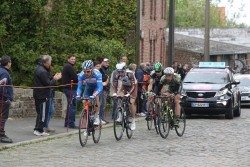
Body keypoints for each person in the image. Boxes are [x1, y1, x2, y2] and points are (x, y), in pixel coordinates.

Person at [33, 55, 61, 136]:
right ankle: (39, 130)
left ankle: (37, 128)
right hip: (43, 95)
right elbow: (48, 84)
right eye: (49, 62)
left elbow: (46, 80)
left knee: (40, 113)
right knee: (43, 113)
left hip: (38, 94)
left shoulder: (38, 68)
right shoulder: (43, 71)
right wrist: (55, 79)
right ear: (45, 62)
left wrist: (53, 77)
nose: (50, 64)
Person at [112, 62, 137, 130]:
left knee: (131, 102)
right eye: (119, 72)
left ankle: (133, 120)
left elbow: (133, 87)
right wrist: (114, 93)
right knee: (119, 97)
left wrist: (128, 94)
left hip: (133, 88)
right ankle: (120, 116)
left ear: (125, 70)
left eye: (122, 72)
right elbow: (115, 86)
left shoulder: (130, 74)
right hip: (124, 87)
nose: (121, 74)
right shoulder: (117, 75)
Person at [76, 60, 103, 125]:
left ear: (92, 69)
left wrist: (94, 95)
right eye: (84, 71)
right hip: (88, 88)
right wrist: (78, 95)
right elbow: (79, 87)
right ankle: (88, 123)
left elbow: (100, 88)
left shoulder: (97, 74)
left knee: (96, 98)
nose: (86, 73)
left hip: (96, 88)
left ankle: (97, 116)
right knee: (84, 102)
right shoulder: (81, 75)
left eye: (88, 71)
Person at [62, 55, 78, 128]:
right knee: (72, 105)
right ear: (68, 59)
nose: (73, 60)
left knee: (70, 105)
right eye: (72, 59)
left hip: (68, 88)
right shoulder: (69, 67)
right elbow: (75, 77)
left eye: (74, 59)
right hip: (70, 88)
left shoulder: (68, 66)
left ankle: (67, 122)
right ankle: (71, 123)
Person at [0, 55, 13, 143]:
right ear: (8, 63)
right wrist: (5, 99)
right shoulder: (4, 73)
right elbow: (2, 87)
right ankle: (1, 135)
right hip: (3, 99)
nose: (11, 63)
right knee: (3, 117)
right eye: (10, 62)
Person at [99, 58, 110, 125]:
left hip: (105, 88)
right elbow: (101, 78)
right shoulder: (101, 69)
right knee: (101, 104)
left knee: (103, 104)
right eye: (105, 62)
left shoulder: (106, 69)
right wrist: (106, 78)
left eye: (107, 62)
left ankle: (102, 118)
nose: (107, 64)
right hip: (101, 88)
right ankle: (100, 118)